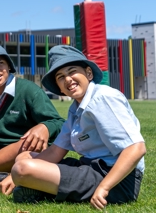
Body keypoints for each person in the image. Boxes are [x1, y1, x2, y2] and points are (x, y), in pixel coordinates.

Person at [10, 45, 146, 210]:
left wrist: (104, 188)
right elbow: (55, 152)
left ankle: (38, 188)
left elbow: (136, 148)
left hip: (118, 180)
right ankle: (37, 188)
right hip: (91, 167)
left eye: (72, 71)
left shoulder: (103, 98)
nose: (68, 79)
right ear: (59, 87)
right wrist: (14, 175)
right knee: (23, 158)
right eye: (60, 77)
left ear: (88, 73)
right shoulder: (75, 109)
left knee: (23, 168)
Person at [0, 43, 64, 194]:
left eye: (0, 63)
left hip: (22, 149)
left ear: (8, 66)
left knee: (27, 141)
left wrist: (45, 127)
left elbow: (59, 123)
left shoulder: (29, 90)